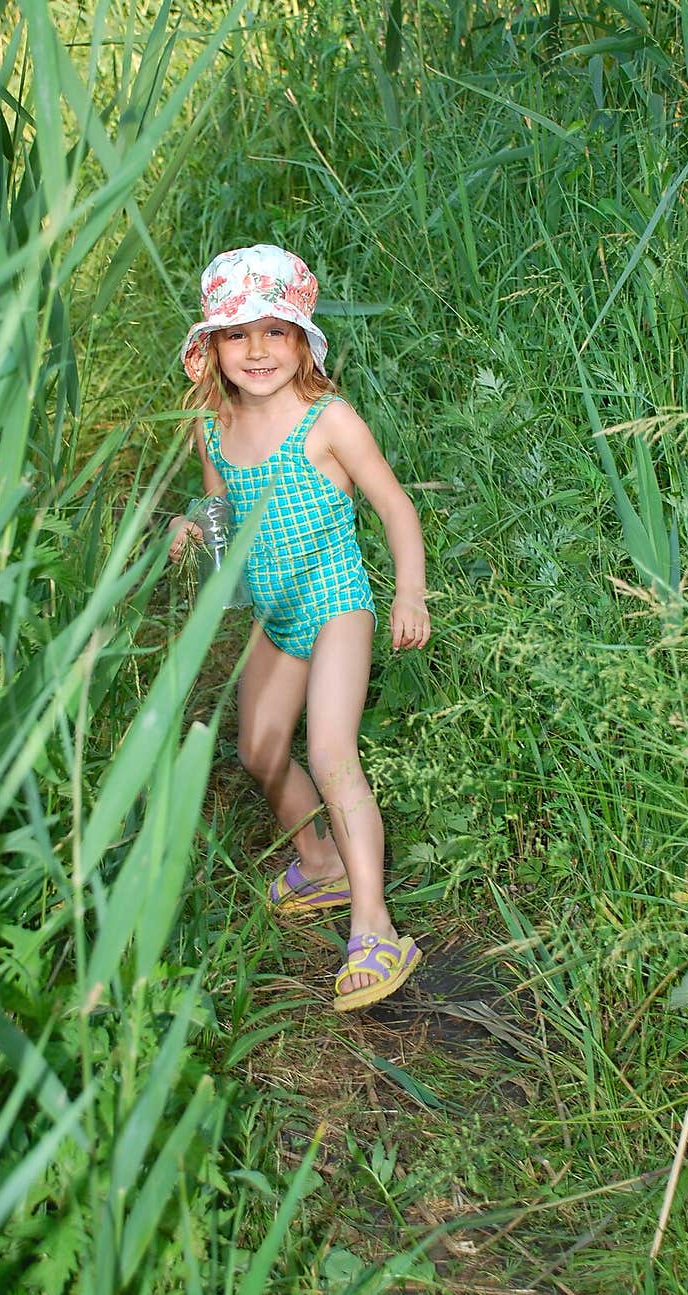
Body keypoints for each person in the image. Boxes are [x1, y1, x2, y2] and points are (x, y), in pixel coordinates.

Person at [167, 243, 431, 1013]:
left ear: (301, 339)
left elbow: (394, 507)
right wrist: (193, 526)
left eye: (275, 331)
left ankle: (376, 925)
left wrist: (409, 592)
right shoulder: (212, 429)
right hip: (276, 616)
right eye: (238, 333)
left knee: (330, 749)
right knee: (258, 748)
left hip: (335, 602)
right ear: (212, 346)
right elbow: (224, 527)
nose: (257, 350)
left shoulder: (328, 422)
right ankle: (320, 862)